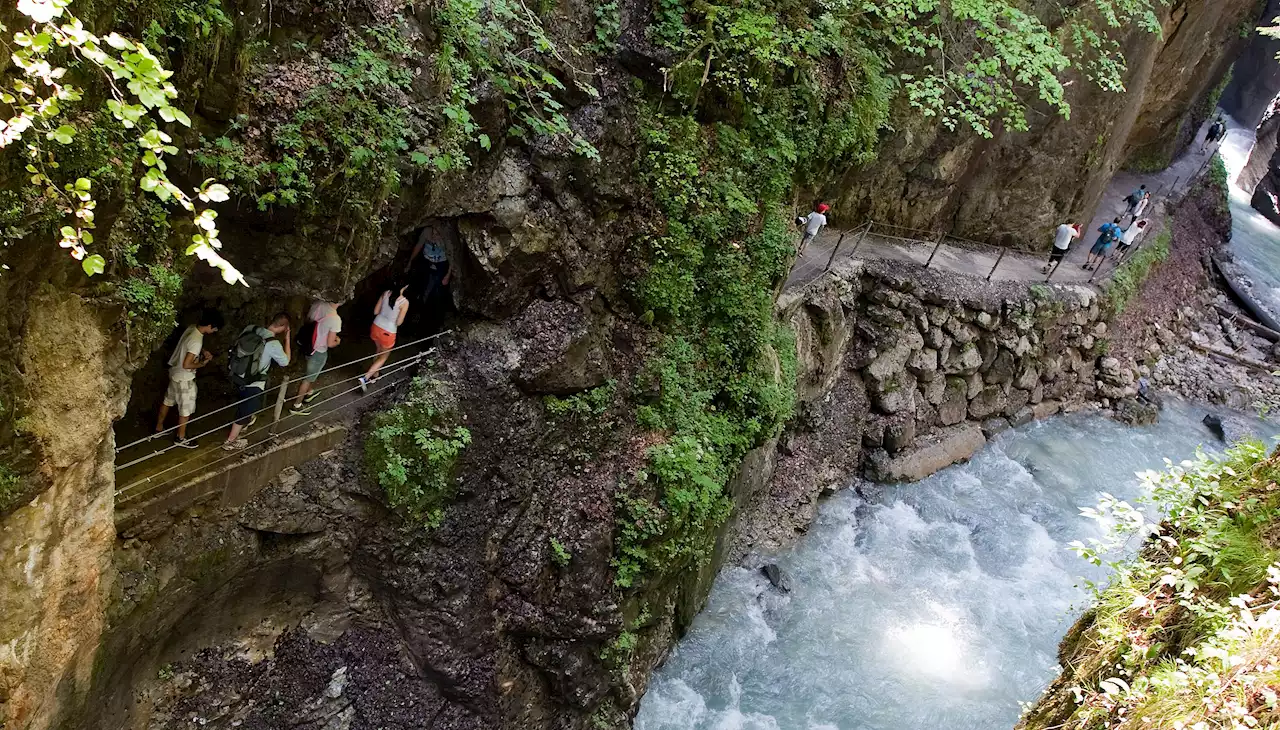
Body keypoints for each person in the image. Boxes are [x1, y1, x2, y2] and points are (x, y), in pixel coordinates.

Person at [222, 313, 291, 451]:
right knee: (246, 410)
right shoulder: (273, 343)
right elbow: (285, 361)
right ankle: (230, 441)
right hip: (254, 382)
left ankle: (245, 424)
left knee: (245, 404)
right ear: (283, 327)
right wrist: (287, 339)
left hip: (237, 374)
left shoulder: (251, 329)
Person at [155, 308, 223, 448]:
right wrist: (202, 363)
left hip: (175, 373)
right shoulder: (196, 341)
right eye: (214, 329)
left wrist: (203, 351)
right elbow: (187, 364)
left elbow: (190, 346)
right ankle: (181, 438)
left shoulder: (192, 328)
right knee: (185, 409)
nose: (214, 332)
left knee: (168, 401)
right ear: (210, 326)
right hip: (185, 378)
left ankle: (158, 429)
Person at [291, 301, 341, 416]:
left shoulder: (318, 304)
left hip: (308, 345)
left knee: (312, 374)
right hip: (319, 351)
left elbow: (308, 320)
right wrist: (337, 341)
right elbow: (330, 343)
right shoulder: (335, 319)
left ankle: (308, 393)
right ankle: (297, 405)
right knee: (308, 378)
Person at [360, 278, 411, 391]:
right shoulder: (404, 302)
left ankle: (375, 374)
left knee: (378, 351)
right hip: (388, 331)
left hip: (376, 326)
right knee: (383, 357)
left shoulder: (386, 293)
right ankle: (365, 378)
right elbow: (398, 322)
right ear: (406, 287)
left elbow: (375, 312)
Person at [406, 228, 451, 312]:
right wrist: (410, 262)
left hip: (441, 263)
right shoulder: (426, 232)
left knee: (438, 287)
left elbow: (453, 257)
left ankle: (434, 310)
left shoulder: (447, 237)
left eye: (437, 234)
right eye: (433, 233)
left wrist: (448, 275)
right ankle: (418, 306)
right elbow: (418, 246)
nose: (433, 236)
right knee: (421, 282)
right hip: (426, 261)